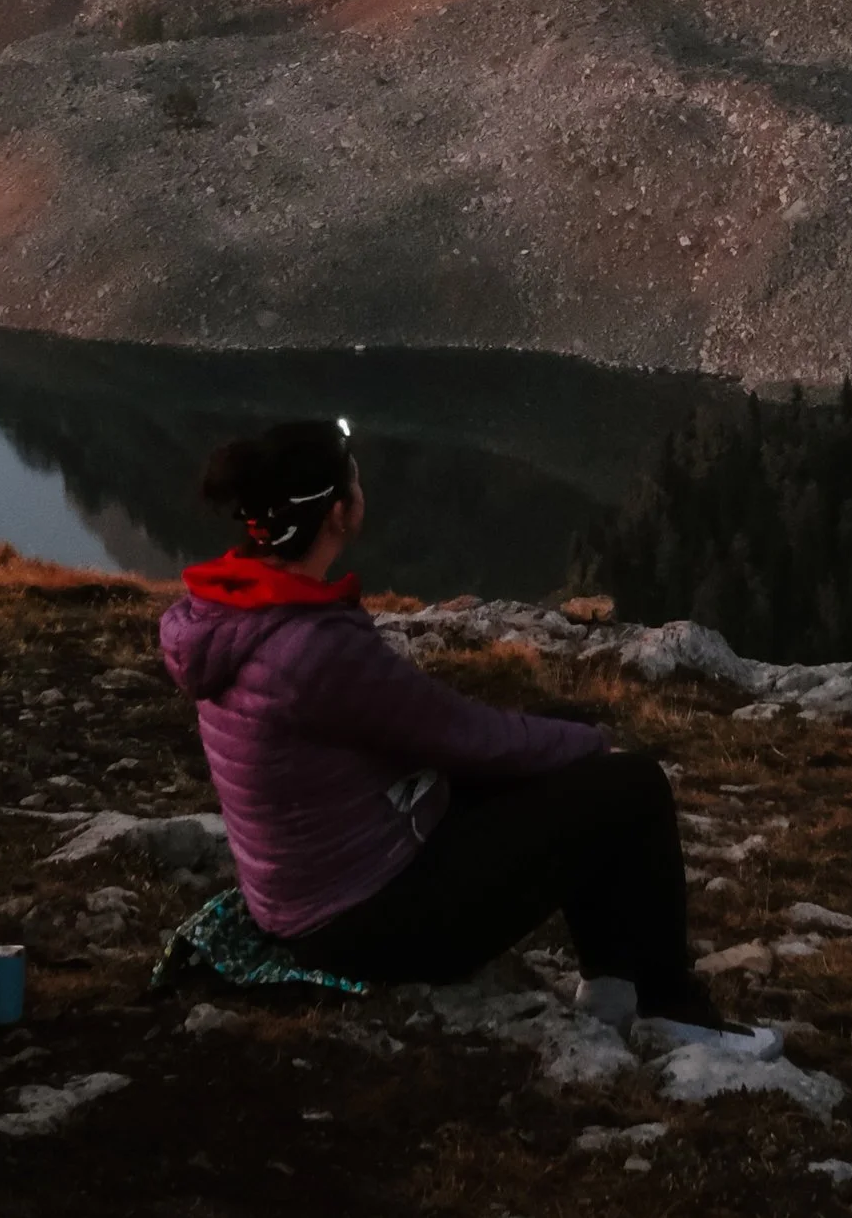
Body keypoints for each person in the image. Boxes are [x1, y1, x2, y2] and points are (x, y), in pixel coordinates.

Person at [159, 417, 723, 1031]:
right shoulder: (310, 649)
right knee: (633, 786)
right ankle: (672, 1007)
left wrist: (569, 746)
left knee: (564, 754)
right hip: (361, 922)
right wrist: (595, 746)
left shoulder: (229, 611)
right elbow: (462, 734)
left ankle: (614, 994)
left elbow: (427, 733)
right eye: (355, 480)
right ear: (340, 514)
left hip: (314, 891)